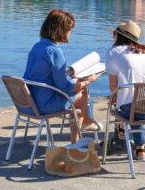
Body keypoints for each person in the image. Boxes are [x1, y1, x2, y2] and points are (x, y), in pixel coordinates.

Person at [23, 9, 102, 143]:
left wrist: (69, 73)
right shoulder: (55, 52)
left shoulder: (37, 46)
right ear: (62, 30)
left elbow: (41, 74)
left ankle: (85, 124)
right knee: (83, 96)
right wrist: (88, 81)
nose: (70, 33)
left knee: (79, 85)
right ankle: (78, 137)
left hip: (30, 101)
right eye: (69, 30)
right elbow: (65, 88)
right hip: (45, 104)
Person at [105, 20, 145, 160]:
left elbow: (113, 87)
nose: (112, 36)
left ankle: (122, 136)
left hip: (136, 110)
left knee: (126, 105)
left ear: (118, 35)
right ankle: (139, 148)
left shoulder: (112, 53)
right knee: (136, 102)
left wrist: (115, 100)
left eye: (114, 34)